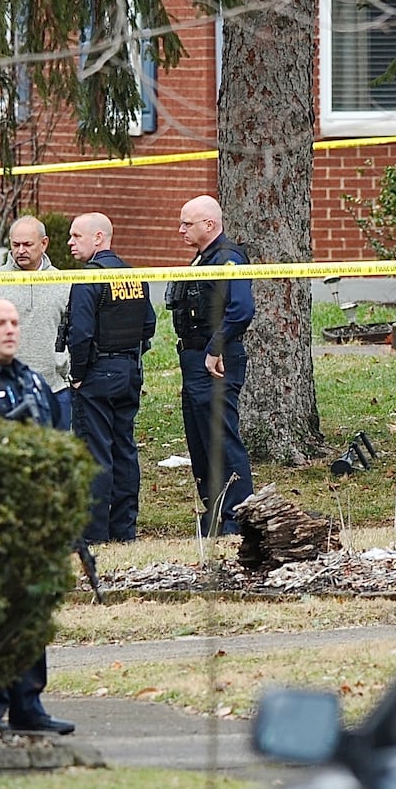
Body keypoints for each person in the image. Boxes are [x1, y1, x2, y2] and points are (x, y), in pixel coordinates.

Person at [0, 298, 77, 737]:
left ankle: (29, 705)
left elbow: (56, 444)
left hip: (34, 521)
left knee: (31, 611)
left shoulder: (33, 382)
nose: (9, 330)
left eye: (14, 323)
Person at [63, 212, 155, 544]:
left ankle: (94, 534)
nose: (70, 242)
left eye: (76, 236)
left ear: (99, 238)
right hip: (129, 371)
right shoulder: (134, 276)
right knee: (124, 451)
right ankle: (124, 531)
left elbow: (81, 333)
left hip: (97, 375)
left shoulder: (90, 278)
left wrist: (79, 375)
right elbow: (149, 326)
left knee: (95, 453)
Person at [167, 195, 255, 537]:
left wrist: (215, 348)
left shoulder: (228, 258)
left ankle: (238, 516)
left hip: (216, 362)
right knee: (200, 441)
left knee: (221, 439)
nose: (180, 230)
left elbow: (241, 309)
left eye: (187, 224)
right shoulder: (202, 259)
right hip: (195, 360)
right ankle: (216, 511)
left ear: (210, 224)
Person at [0, 216, 72, 429]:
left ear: (44, 243)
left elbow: (77, 328)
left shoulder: (64, 282)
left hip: (54, 389)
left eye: (27, 245)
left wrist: (66, 365)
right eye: (15, 245)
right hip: (5, 391)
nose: (20, 251)